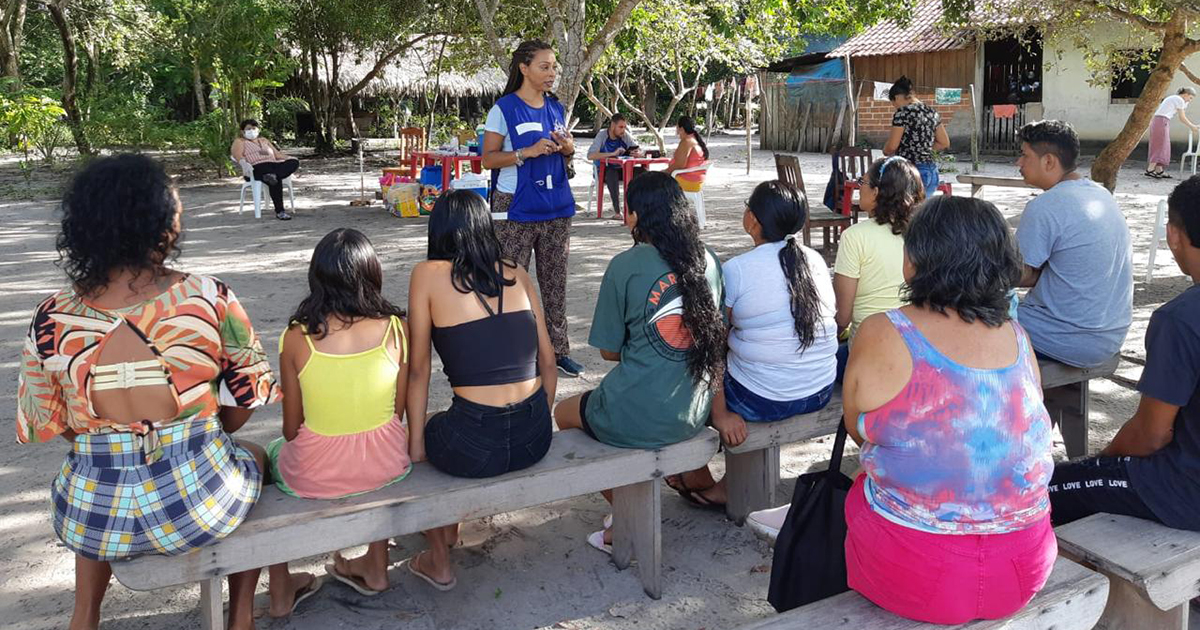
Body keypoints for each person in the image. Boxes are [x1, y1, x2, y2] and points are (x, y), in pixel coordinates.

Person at [16, 154, 287, 630]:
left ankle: (85, 615)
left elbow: (52, 425)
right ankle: (241, 614)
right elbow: (247, 398)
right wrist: (198, 436)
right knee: (255, 455)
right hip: (197, 508)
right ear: (159, 222)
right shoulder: (209, 297)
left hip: (90, 520)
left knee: (95, 472)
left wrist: (110, 443)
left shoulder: (49, 316)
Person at [842, 196, 1056, 624]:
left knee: (861, 486)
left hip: (914, 572)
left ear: (916, 259)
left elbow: (858, 430)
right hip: (1024, 566)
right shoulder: (1017, 335)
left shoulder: (883, 331)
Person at [554, 171, 725, 553]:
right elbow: (718, 339)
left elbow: (609, 352)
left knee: (564, 414)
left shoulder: (625, 265)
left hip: (638, 408)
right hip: (693, 410)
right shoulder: (709, 260)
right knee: (652, 410)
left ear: (634, 216)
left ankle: (626, 510)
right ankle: (690, 479)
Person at [405, 190, 558, 590]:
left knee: (433, 430)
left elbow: (417, 370)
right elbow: (548, 361)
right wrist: (537, 415)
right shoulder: (517, 273)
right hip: (534, 438)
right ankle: (447, 529)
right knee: (454, 425)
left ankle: (440, 552)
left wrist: (416, 446)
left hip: (473, 442)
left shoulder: (427, 275)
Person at [668, 180, 838, 509]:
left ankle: (699, 473)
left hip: (764, 400)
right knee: (754, 354)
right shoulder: (814, 260)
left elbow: (711, 345)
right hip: (819, 389)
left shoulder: (737, 271)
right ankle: (728, 481)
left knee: (685, 369)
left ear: (753, 220)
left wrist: (720, 414)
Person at [265, 228, 411, 604]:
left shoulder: (296, 337)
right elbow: (396, 411)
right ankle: (376, 565)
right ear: (373, 275)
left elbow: (291, 428)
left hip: (316, 472)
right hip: (387, 463)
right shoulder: (397, 328)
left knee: (268, 455)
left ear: (317, 279)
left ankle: (280, 586)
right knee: (374, 437)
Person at [1049, 175, 1200, 530]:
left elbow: (1151, 435)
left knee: (1048, 487)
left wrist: (1104, 461)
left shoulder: (1180, 318)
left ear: (1173, 235)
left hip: (1185, 492)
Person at [481, 40, 583, 378]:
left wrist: (568, 149)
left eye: (554, 66)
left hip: (556, 207)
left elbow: (566, 152)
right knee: (510, 282)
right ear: (524, 68)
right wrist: (526, 152)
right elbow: (488, 159)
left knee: (556, 283)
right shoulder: (503, 109)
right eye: (545, 66)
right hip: (514, 209)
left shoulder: (556, 107)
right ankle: (511, 354)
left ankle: (559, 351)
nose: (552, 72)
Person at [1015, 120, 1133, 368]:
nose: (1019, 163)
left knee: (968, 318)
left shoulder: (1045, 207)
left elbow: (1018, 275)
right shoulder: (1101, 195)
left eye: (1024, 155)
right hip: (1111, 335)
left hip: (1063, 337)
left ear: (1048, 161)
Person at [832, 156, 924, 378]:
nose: (858, 188)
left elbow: (843, 317)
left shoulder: (855, 237)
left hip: (869, 351)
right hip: (918, 350)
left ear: (876, 192)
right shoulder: (924, 235)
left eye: (862, 183)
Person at [882, 76, 950, 198]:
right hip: (931, 170)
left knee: (908, 214)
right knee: (922, 213)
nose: (895, 107)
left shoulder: (902, 113)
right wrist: (923, 150)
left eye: (894, 103)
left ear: (897, 97)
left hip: (911, 171)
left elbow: (892, 146)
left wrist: (885, 151)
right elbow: (944, 142)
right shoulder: (932, 112)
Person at [230, 119, 299, 221]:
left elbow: (277, 155)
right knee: (273, 178)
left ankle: (272, 176)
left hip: (274, 166)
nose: (252, 131)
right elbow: (237, 155)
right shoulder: (240, 141)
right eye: (248, 129)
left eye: (254, 128)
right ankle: (280, 211)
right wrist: (244, 164)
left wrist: (289, 158)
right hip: (255, 168)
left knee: (292, 163)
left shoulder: (264, 141)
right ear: (242, 131)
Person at [586, 113, 643, 218]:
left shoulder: (625, 135)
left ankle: (640, 208)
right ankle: (617, 212)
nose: (623, 130)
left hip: (621, 168)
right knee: (611, 173)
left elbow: (637, 148)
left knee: (642, 172)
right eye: (620, 127)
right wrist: (612, 154)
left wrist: (638, 153)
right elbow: (590, 155)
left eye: (625, 127)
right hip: (602, 170)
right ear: (612, 126)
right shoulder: (602, 135)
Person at [1146, 87, 1198, 179]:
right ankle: (1150, 169)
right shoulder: (1178, 99)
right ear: (1185, 94)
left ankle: (1159, 170)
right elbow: (1182, 117)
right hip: (1162, 121)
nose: (1190, 100)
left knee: (1163, 145)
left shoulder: (1174, 98)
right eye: (1190, 98)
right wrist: (1192, 126)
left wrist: (1193, 125)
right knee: (1160, 145)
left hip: (1160, 121)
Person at [665, 115, 710, 194]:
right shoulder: (693, 139)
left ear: (681, 128)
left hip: (688, 181)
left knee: (655, 183)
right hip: (695, 180)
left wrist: (665, 172)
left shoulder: (687, 141)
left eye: (677, 126)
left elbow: (680, 165)